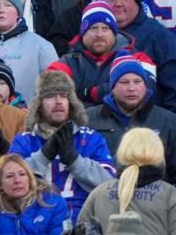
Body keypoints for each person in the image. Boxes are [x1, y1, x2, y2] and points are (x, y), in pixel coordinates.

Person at [9, 68, 117, 221]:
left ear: (71, 102)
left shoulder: (91, 139)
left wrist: (75, 161)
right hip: (36, 223)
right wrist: (43, 157)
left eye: (64, 96)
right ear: (39, 104)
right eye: (51, 96)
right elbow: (9, 183)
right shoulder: (24, 141)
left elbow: (110, 186)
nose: (58, 101)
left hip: (82, 223)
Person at [86, 54, 176, 191]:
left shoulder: (172, 123)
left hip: (155, 203)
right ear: (112, 87)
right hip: (104, 198)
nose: (132, 88)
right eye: (124, 82)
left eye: (137, 81)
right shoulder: (88, 120)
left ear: (146, 85)